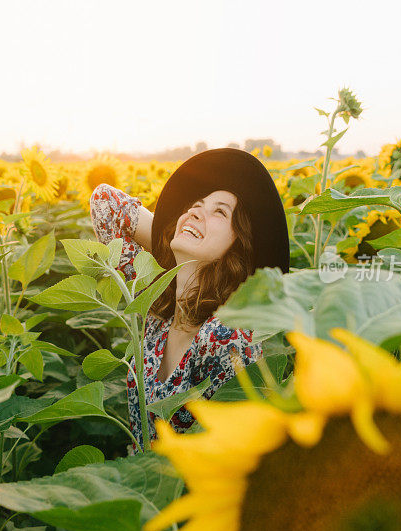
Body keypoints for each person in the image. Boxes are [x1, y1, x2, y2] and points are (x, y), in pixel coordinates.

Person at [89, 148, 289, 453]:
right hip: (141, 489)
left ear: (240, 245)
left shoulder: (228, 336)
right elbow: (105, 202)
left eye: (220, 211)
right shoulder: (158, 304)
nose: (195, 211)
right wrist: (175, 234)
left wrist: (183, 234)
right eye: (195, 205)